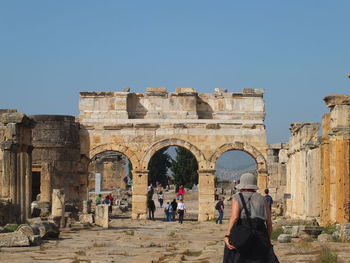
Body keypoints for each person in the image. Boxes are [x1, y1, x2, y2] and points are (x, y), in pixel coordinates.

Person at [223, 173, 279, 263]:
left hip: (242, 230)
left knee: (233, 254)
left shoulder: (236, 197)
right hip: (260, 231)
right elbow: (269, 222)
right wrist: (267, 239)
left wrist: (227, 235)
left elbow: (234, 217)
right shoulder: (263, 199)